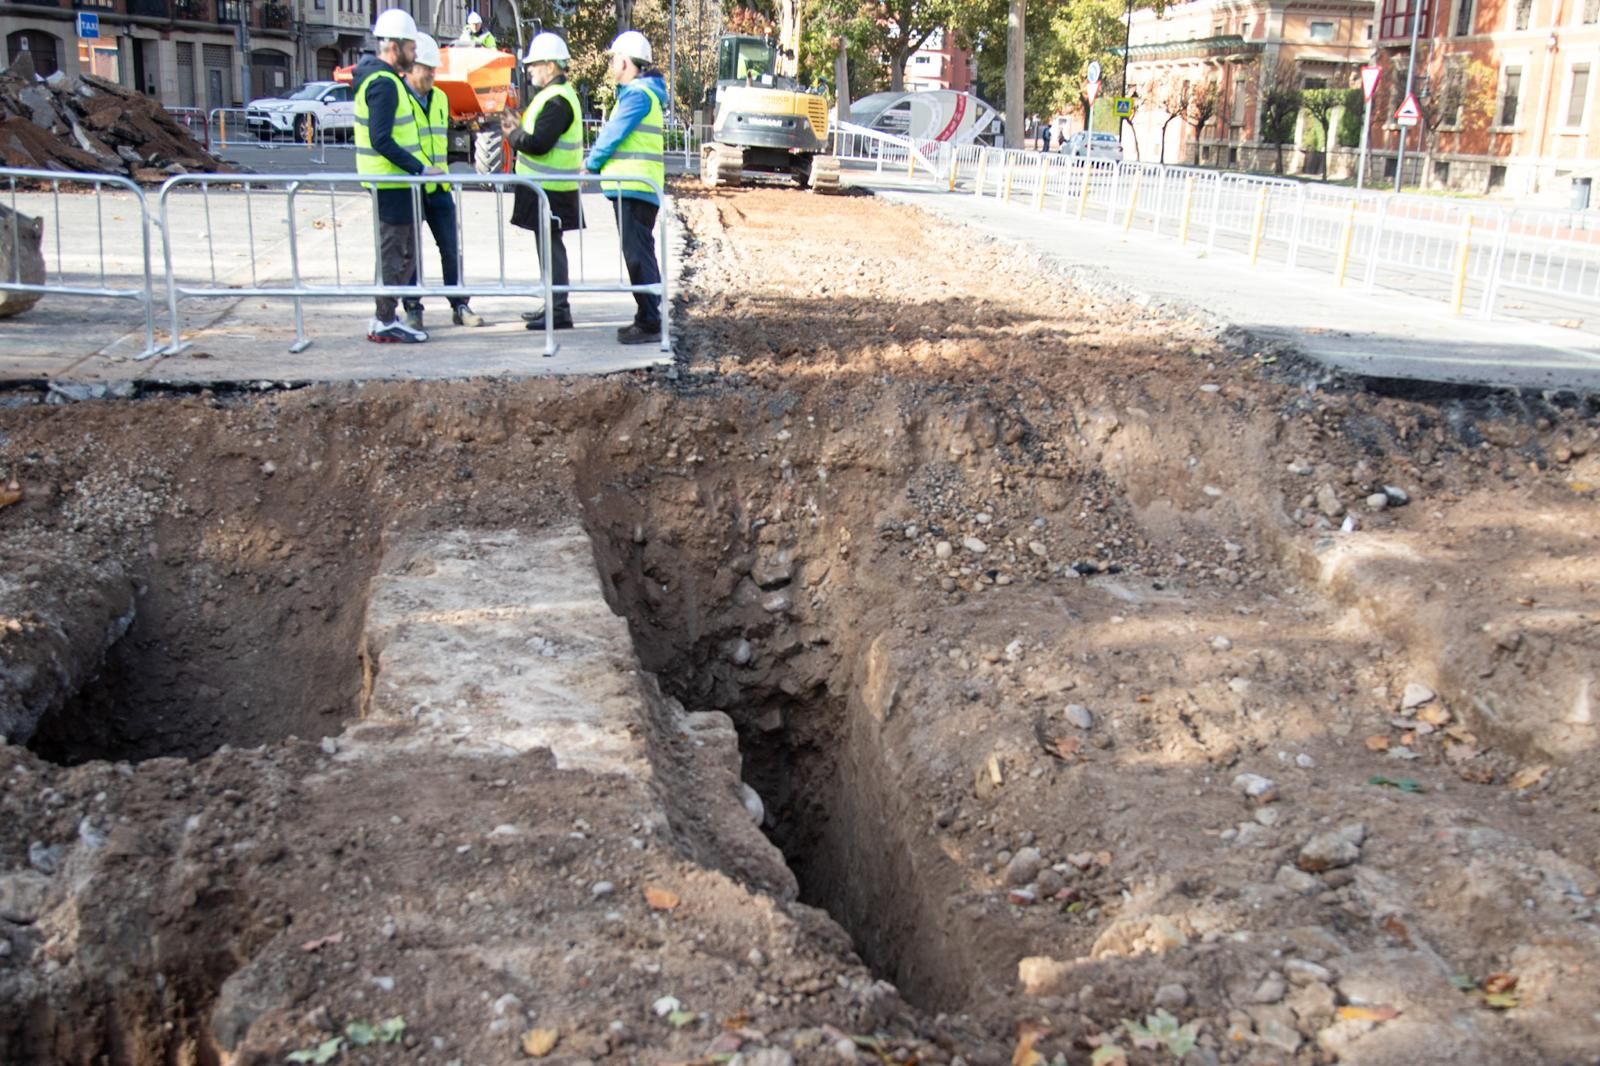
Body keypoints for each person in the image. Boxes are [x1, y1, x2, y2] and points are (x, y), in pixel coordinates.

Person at [355, 7, 443, 343]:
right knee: (395, 254)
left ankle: (386, 317)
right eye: (410, 47)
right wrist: (419, 168)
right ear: (394, 47)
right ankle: (384, 320)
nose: (414, 54)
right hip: (391, 183)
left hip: (396, 183)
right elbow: (381, 139)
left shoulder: (384, 81)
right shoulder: (384, 85)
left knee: (403, 254)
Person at [585, 30, 665, 346]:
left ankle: (649, 321)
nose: (611, 66)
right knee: (639, 251)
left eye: (614, 60)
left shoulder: (637, 96)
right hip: (634, 186)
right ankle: (647, 315)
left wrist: (592, 162)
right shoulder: (641, 94)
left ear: (625, 62)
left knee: (636, 254)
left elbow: (613, 134)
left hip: (635, 185)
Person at [501, 32, 584, 334]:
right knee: (549, 247)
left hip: (552, 190)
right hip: (547, 188)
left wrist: (513, 134)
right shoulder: (554, 97)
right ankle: (554, 303)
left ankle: (559, 309)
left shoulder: (558, 100)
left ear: (550, 66)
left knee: (551, 248)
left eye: (534, 65)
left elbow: (539, 143)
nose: (530, 70)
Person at [402, 32, 485, 330]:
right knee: (409, 251)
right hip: (410, 188)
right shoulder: (399, 98)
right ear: (412, 66)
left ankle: (459, 303)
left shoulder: (440, 98)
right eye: (428, 69)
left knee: (450, 248)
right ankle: (412, 308)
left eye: (435, 70)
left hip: (439, 188)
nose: (432, 76)